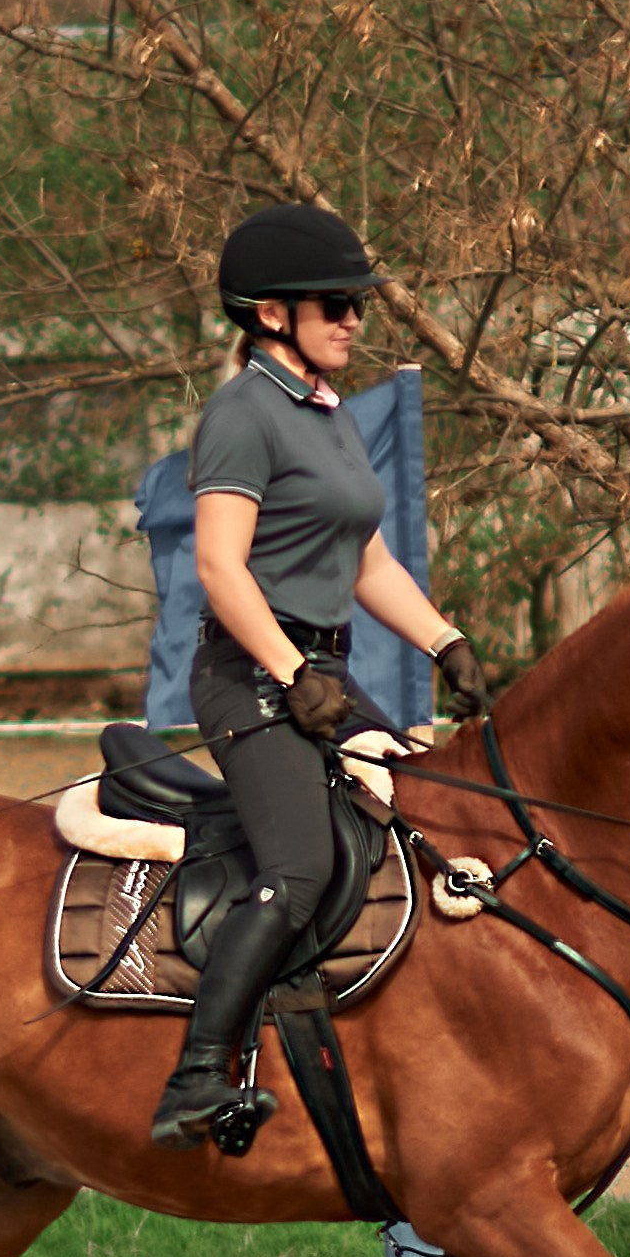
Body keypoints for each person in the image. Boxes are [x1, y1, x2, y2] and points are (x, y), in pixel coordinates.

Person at [150, 201, 492, 1148]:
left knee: (425, 823)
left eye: (357, 306)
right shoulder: (240, 414)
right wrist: (294, 671)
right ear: (270, 314)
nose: (354, 320)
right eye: (336, 304)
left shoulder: (327, 414)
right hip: (250, 678)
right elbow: (221, 569)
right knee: (300, 870)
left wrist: (444, 641)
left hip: (320, 677)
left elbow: (369, 562)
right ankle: (192, 1079)